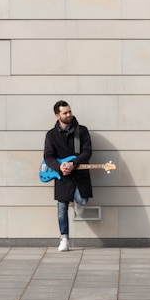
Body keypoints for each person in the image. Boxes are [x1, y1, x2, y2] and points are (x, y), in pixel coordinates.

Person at [43, 100, 93, 252]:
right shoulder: (51, 135)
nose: (69, 114)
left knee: (81, 198)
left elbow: (87, 152)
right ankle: (64, 238)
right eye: (65, 113)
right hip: (62, 176)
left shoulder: (82, 131)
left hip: (80, 173)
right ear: (58, 115)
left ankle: (80, 202)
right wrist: (60, 167)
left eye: (70, 111)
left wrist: (73, 163)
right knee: (61, 207)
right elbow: (48, 156)